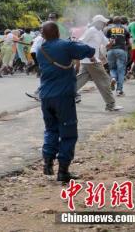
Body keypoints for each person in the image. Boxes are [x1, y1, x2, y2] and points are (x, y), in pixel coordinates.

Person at [37, 22, 96, 182]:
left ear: (43, 35)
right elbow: (89, 50)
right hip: (63, 96)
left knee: (50, 129)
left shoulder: (40, 49)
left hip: (46, 96)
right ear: (57, 32)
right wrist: (77, 42)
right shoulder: (66, 45)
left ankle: (48, 162)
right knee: (68, 133)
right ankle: (63, 171)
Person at [75, 15, 122, 111]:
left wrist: (111, 42)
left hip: (88, 61)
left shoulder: (99, 32)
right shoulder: (91, 30)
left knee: (79, 81)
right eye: (103, 22)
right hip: (92, 60)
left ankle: (62, 95)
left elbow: (107, 45)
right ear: (97, 22)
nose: (105, 23)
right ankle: (110, 105)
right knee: (104, 81)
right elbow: (80, 42)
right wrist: (90, 55)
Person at [105, 17, 130, 96]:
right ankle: (119, 90)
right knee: (121, 71)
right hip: (121, 50)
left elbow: (105, 41)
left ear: (113, 21)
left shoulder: (108, 28)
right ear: (121, 21)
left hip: (110, 51)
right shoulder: (125, 29)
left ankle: (113, 78)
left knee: (112, 68)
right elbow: (128, 42)